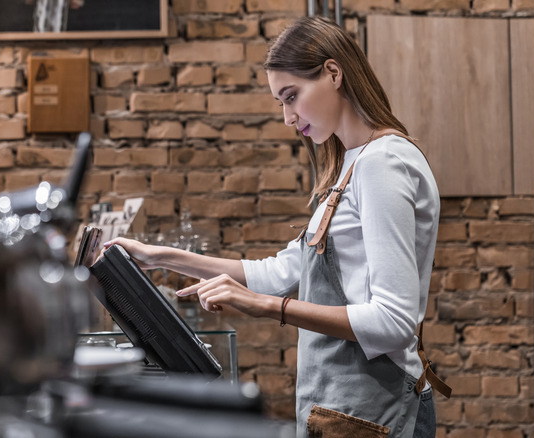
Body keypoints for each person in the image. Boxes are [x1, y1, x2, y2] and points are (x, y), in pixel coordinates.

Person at [103, 16, 450, 438]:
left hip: (378, 411)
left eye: (292, 96)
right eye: (280, 103)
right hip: (351, 408)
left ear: (333, 73)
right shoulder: (353, 165)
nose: (288, 117)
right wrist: (159, 256)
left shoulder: (381, 163)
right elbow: (282, 272)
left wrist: (266, 307)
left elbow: (393, 323)